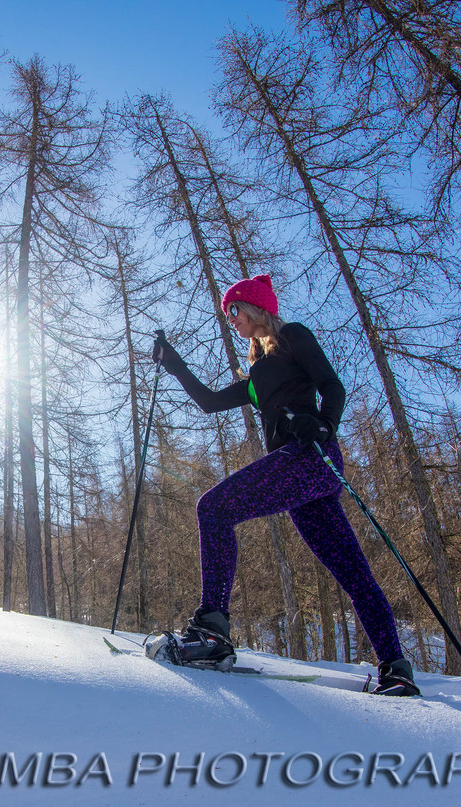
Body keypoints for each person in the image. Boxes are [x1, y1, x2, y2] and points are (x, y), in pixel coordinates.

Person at [152, 273, 420, 697]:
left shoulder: (292, 337)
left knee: (214, 508)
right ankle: (397, 668)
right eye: (227, 314)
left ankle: (212, 630)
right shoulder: (258, 373)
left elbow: (332, 385)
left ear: (256, 307)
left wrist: (325, 424)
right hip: (300, 476)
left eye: (234, 310)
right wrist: (173, 362)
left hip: (310, 457)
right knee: (352, 572)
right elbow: (210, 402)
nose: (231, 319)